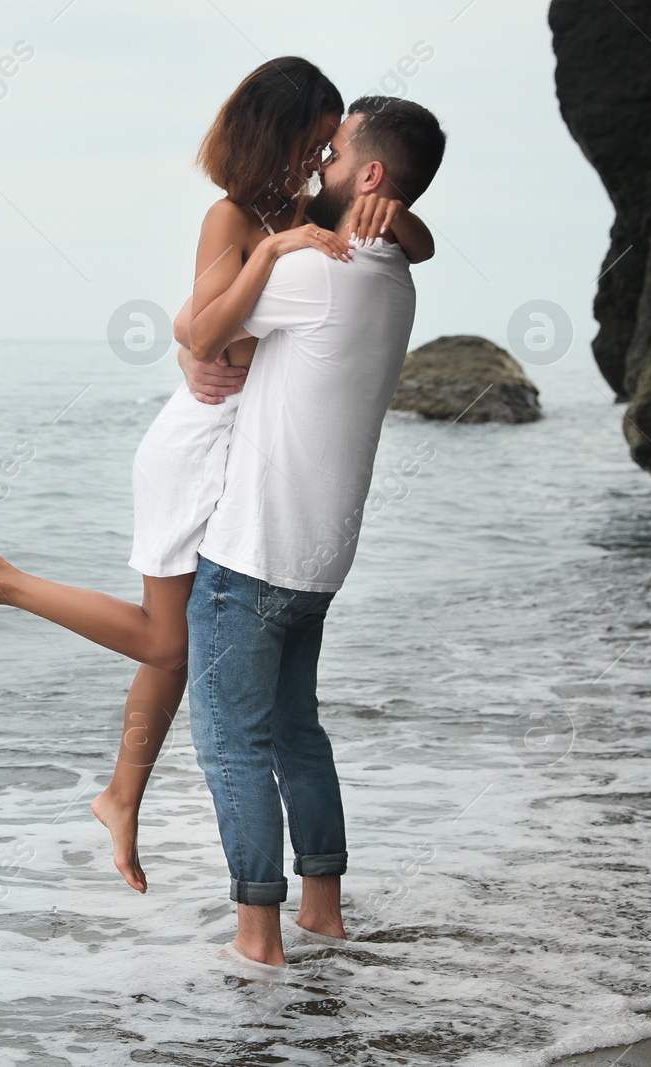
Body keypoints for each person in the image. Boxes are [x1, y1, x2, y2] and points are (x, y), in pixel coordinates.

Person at [0, 58, 434, 895]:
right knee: (171, 643)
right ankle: (6, 582)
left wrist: (402, 222)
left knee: (179, 651)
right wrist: (265, 259)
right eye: (315, 143)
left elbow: (406, 244)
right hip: (196, 444)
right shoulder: (236, 216)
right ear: (284, 136)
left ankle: (122, 797)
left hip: (241, 455)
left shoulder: (307, 212)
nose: (320, 163)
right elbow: (203, 333)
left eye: (331, 149)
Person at [182, 95, 447, 969]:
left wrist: (266, 247)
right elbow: (411, 240)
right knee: (298, 732)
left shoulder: (315, 271)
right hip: (318, 562)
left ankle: (258, 939)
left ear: (369, 176)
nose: (316, 165)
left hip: (251, 554)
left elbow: (202, 331)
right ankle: (322, 911)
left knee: (233, 744)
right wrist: (393, 224)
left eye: (331, 152)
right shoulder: (392, 274)